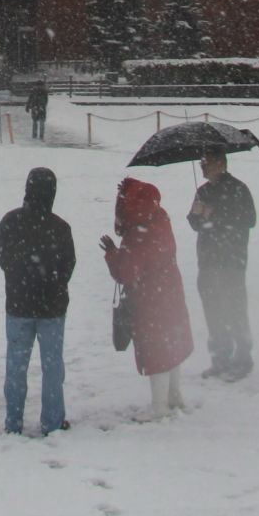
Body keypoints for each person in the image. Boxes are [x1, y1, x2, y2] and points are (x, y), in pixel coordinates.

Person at [100, 176, 193, 419]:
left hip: (150, 299)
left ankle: (160, 408)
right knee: (171, 344)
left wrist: (112, 254)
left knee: (156, 351)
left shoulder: (138, 232)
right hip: (170, 291)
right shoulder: (161, 219)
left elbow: (126, 273)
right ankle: (175, 396)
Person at [0, 165, 76, 436]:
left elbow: (3, 259)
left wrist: (21, 279)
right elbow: (68, 265)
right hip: (52, 307)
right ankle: (52, 422)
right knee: (52, 366)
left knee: (16, 366)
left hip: (18, 304)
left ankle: (13, 421)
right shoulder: (60, 227)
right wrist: (51, 283)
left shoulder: (9, 222)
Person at [187, 145, 256, 380]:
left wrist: (214, 214)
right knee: (213, 311)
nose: (202, 167)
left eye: (206, 163)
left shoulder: (238, 189)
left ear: (220, 163)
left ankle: (243, 358)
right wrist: (197, 215)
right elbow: (194, 223)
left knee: (235, 309)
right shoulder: (203, 191)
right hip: (207, 260)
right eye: (201, 164)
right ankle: (220, 357)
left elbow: (249, 219)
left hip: (231, 260)